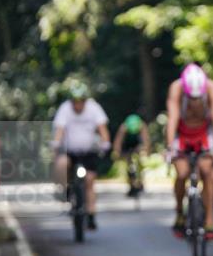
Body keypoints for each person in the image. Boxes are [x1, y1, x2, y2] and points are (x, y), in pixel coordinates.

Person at [165, 63, 213, 240]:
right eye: (191, 98)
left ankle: (209, 221)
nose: (195, 101)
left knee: (207, 170)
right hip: (182, 134)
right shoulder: (176, 88)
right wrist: (170, 148)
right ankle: (179, 213)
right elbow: (172, 119)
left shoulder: (212, 88)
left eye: (198, 98)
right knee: (182, 173)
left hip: (204, 134)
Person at [52, 81, 111, 229]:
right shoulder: (65, 108)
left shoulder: (94, 108)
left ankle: (91, 215)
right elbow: (59, 129)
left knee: (90, 181)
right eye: (75, 102)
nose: (78, 105)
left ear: (85, 101)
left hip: (88, 152)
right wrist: (56, 143)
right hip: (70, 151)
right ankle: (65, 190)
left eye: (80, 102)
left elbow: (102, 129)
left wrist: (105, 143)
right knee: (61, 164)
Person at [112, 114, 150, 196]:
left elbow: (146, 140)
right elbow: (118, 141)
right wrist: (116, 152)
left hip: (137, 143)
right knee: (128, 164)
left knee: (140, 160)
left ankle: (140, 181)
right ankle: (131, 183)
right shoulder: (124, 127)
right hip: (128, 144)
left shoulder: (142, 126)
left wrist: (145, 151)